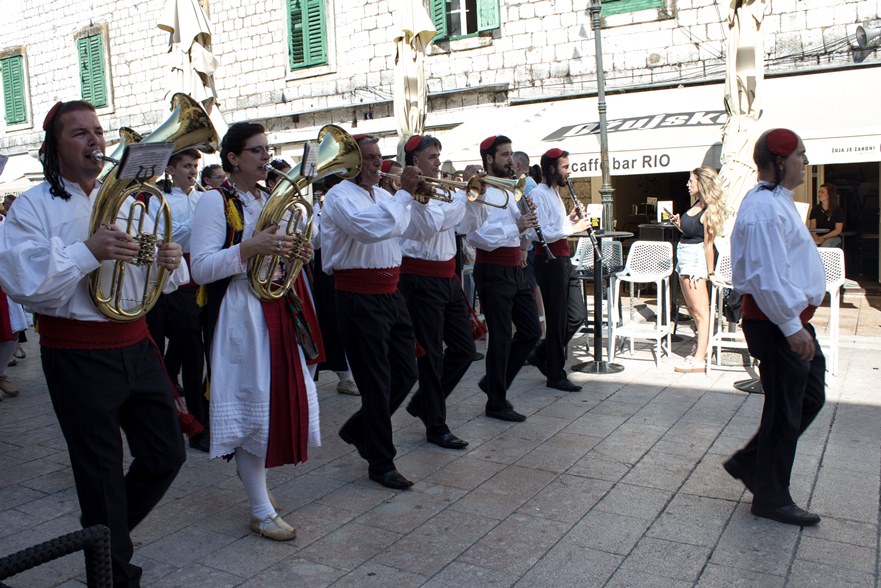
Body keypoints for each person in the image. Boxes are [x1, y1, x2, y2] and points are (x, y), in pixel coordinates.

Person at [0, 100, 188, 586]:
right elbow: (24, 282)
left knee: (167, 454)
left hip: (135, 342)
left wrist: (167, 259)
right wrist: (87, 251)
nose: (94, 141)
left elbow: (158, 281)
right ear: (54, 147)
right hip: (77, 352)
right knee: (100, 475)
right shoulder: (31, 206)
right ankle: (112, 574)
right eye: (79, 134)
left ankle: (106, 537)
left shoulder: (128, 200)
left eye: (98, 132)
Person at [190, 122, 321, 541]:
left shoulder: (269, 196)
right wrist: (250, 248)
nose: (267, 157)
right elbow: (202, 268)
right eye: (257, 150)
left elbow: (287, 250)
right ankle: (260, 509)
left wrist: (300, 251)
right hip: (241, 311)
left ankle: (259, 489)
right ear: (233, 158)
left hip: (277, 304)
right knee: (253, 404)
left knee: (275, 400)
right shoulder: (215, 201)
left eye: (268, 149)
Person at [724, 128, 825, 527]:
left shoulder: (775, 203)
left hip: (787, 320)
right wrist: (791, 326)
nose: (805, 161)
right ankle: (771, 496)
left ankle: (751, 464)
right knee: (785, 410)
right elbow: (767, 275)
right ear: (780, 160)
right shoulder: (765, 208)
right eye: (800, 154)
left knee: (807, 398)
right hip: (778, 321)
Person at [321, 134, 424, 489]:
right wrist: (406, 196)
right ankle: (381, 462)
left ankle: (357, 429)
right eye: (368, 158)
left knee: (407, 374)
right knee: (377, 383)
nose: (376, 163)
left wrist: (421, 200)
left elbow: (419, 232)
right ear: (349, 162)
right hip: (358, 295)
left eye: (379, 157)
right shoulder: (337, 196)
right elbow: (369, 230)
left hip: (391, 293)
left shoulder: (385, 195)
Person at [398, 135, 487, 450]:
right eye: (432, 157)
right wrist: (463, 196)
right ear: (415, 162)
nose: (438, 162)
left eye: (438, 156)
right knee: (432, 355)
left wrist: (476, 197)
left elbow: (467, 225)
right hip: (420, 279)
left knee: (464, 349)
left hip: (446, 277)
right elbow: (433, 224)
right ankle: (436, 425)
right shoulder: (410, 195)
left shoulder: (445, 192)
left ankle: (425, 404)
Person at [467, 135, 541, 422]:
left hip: (514, 267)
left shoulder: (511, 188)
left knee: (531, 331)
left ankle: (493, 383)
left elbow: (521, 231)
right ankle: (496, 402)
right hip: (493, 268)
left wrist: (527, 225)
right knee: (500, 337)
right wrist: (516, 227)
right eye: (504, 155)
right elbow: (477, 237)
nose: (511, 160)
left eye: (511, 154)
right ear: (489, 159)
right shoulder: (480, 190)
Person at [146, 148, 210, 451]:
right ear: (171, 169)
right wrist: (197, 227)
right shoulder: (159, 201)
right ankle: (196, 424)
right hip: (175, 281)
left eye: (195, 165)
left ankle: (202, 412)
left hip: (203, 278)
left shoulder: (204, 198)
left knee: (199, 351)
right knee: (190, 352)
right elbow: (162, 239)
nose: (193, 171)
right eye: (186, 166)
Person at [525, 148, 589, 391]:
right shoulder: (540, 194)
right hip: (550, 262)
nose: (569, 171)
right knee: (558, 318)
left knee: (575, 315)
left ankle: (542, 352)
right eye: (565, 167)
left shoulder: (553, 192)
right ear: (551, 169)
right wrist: (574, 229)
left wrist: (570, 220)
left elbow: (555, 226)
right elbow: (537, 232)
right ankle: (555, 373)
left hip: (563, 259)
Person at [669, 167, 726, 374]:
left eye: (691, 181)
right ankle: (702, 349)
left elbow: (708, 245)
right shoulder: (696, 205)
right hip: (684, 259)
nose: (687, 184)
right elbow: (691, 232)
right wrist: (679, 224)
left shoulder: (709, 211)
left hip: (695, 263)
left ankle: (700, 357)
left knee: (701, 312)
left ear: (701, 184)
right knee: (692, 310)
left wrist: (709, 274)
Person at [809, 183, 844, 247]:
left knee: (826, 246)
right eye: (819, 192)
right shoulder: (815, 209)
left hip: (832, 237)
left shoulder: (837, 210)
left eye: (822, 192)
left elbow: (838, 230)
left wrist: (824, 237)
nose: (819, 194)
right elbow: (812, 227)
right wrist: (815, 237)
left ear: (829, 195)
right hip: (817, 236)